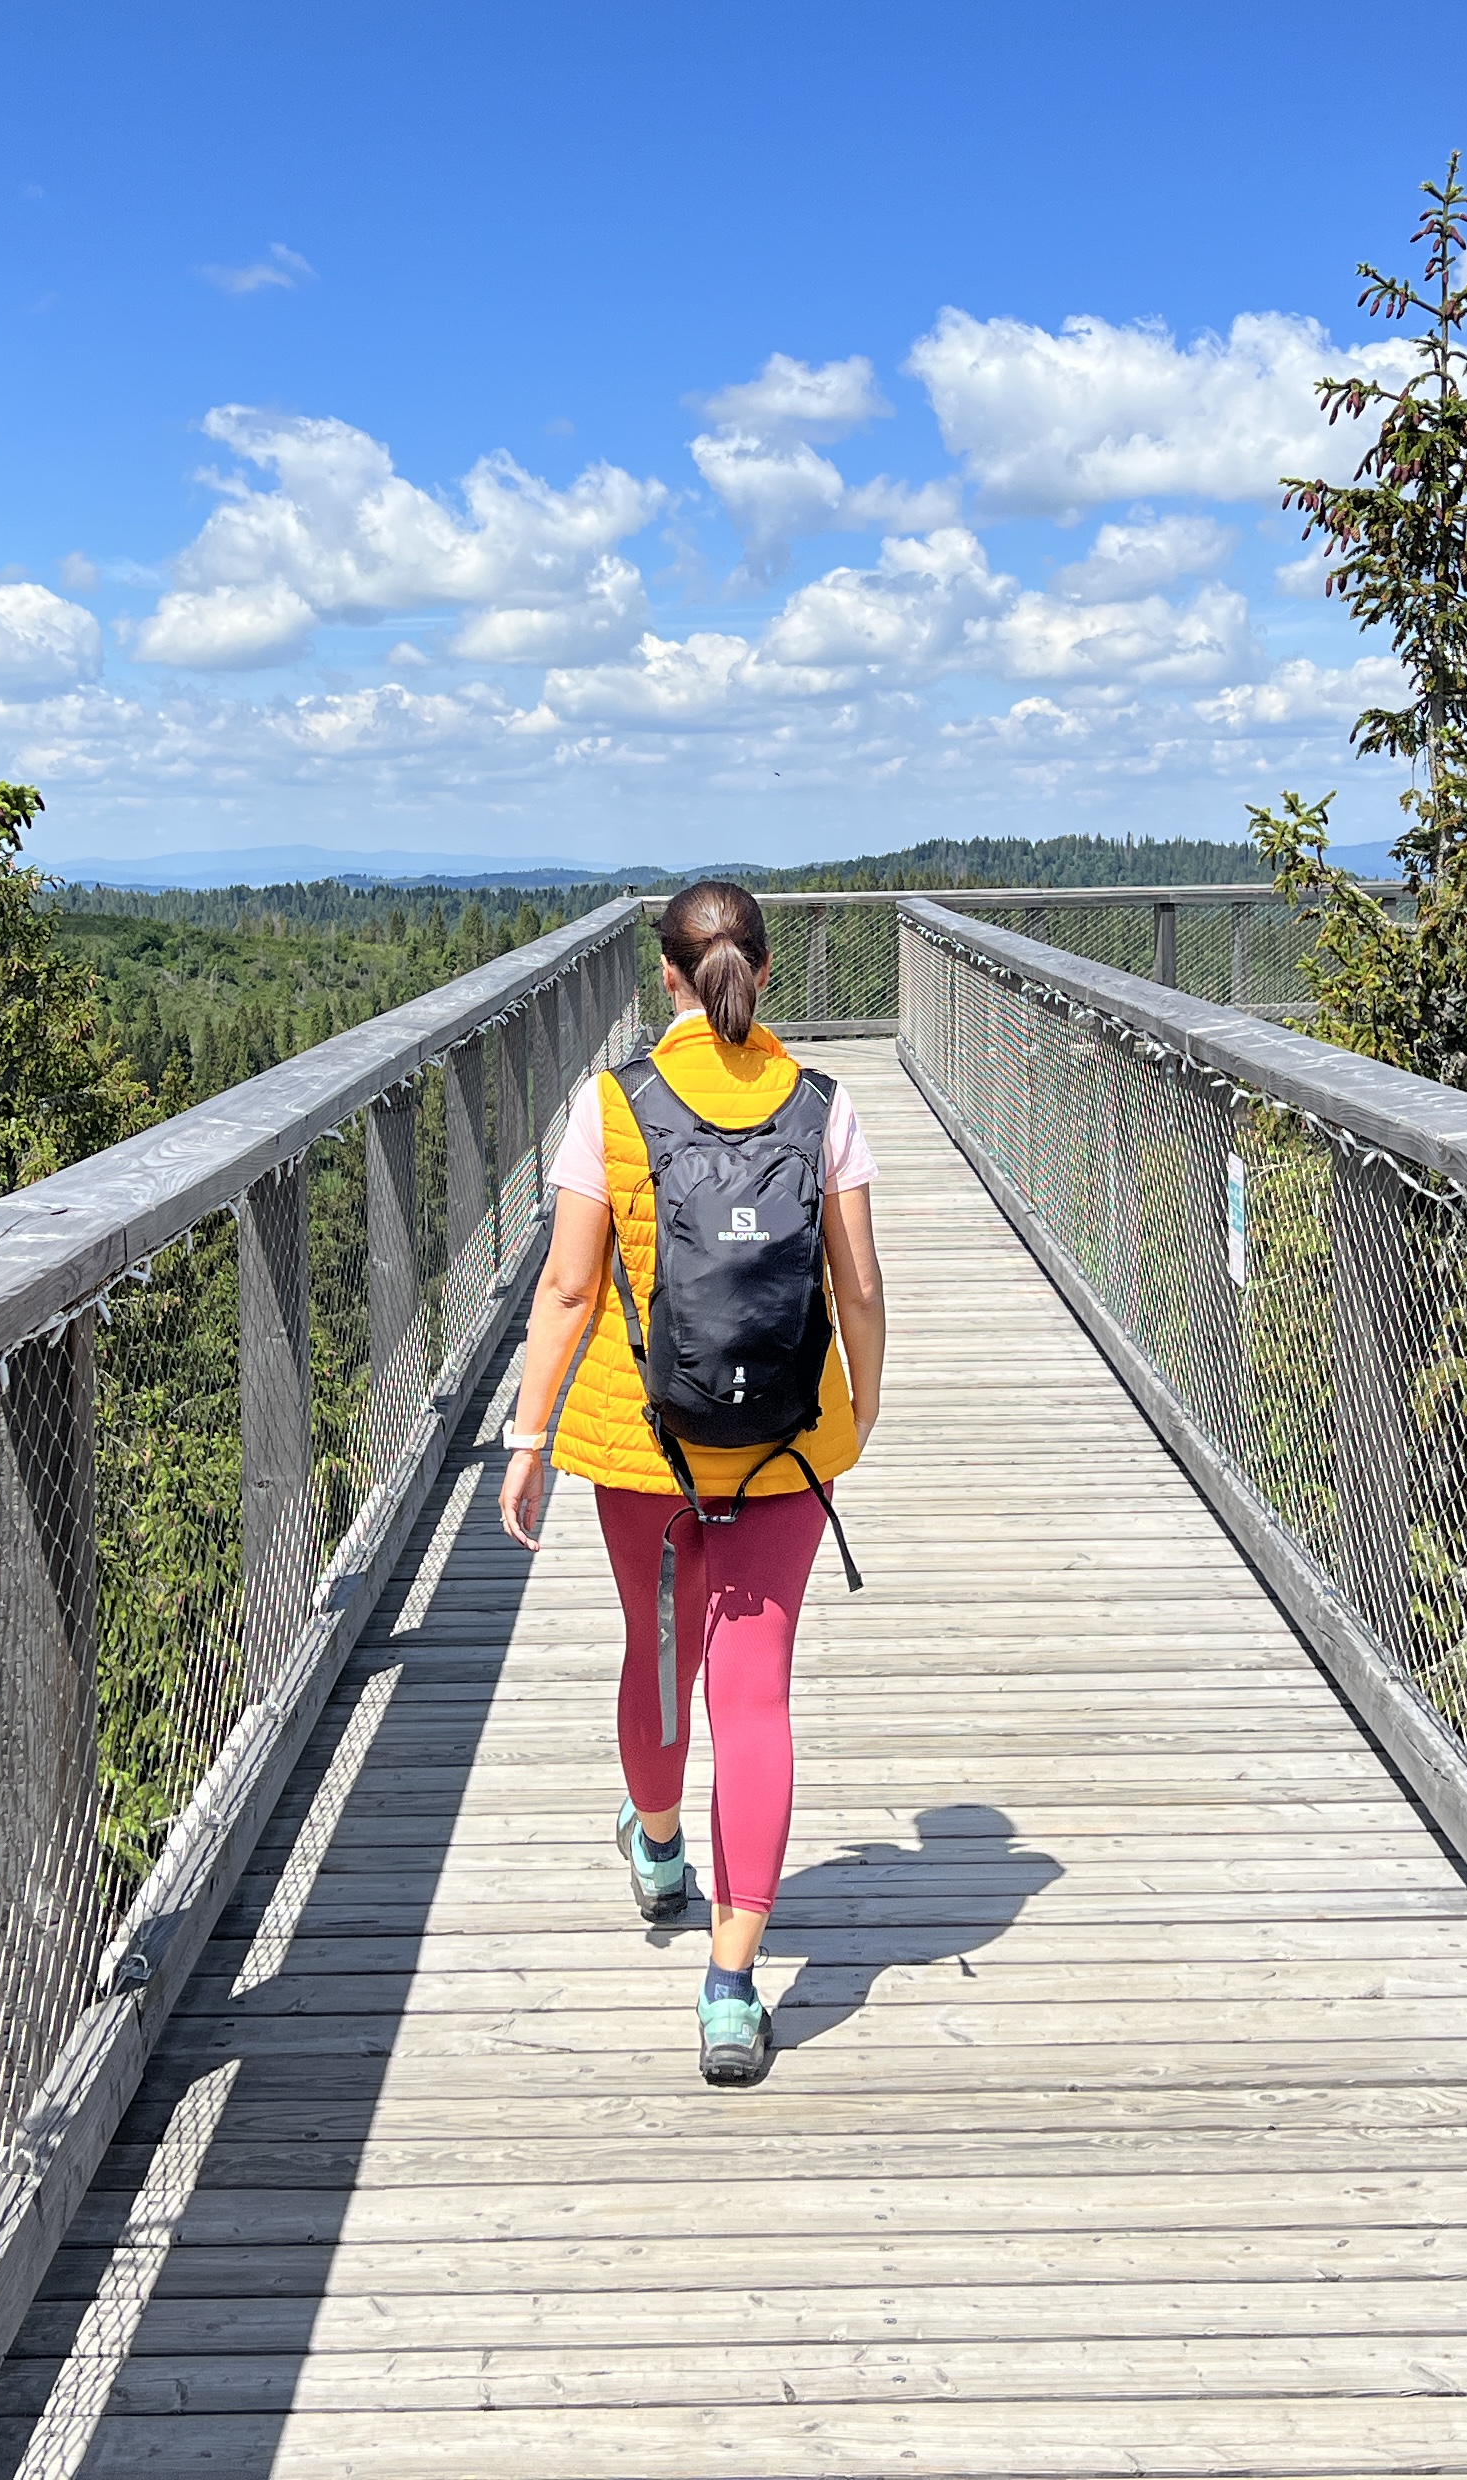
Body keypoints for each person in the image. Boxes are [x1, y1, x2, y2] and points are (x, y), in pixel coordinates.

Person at [497, 880, 887, 2089]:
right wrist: (857, 1413)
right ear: (763, 973)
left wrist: (527, 1435)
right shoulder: (823, 1106)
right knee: (756, 1698)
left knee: (660, 1652)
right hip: (782, 1445)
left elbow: (567, 1291)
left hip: (641, 1442)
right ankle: (730, 1989)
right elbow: (860, 1290)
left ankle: (661, 1852)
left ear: (664, 975)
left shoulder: (611, 1104)